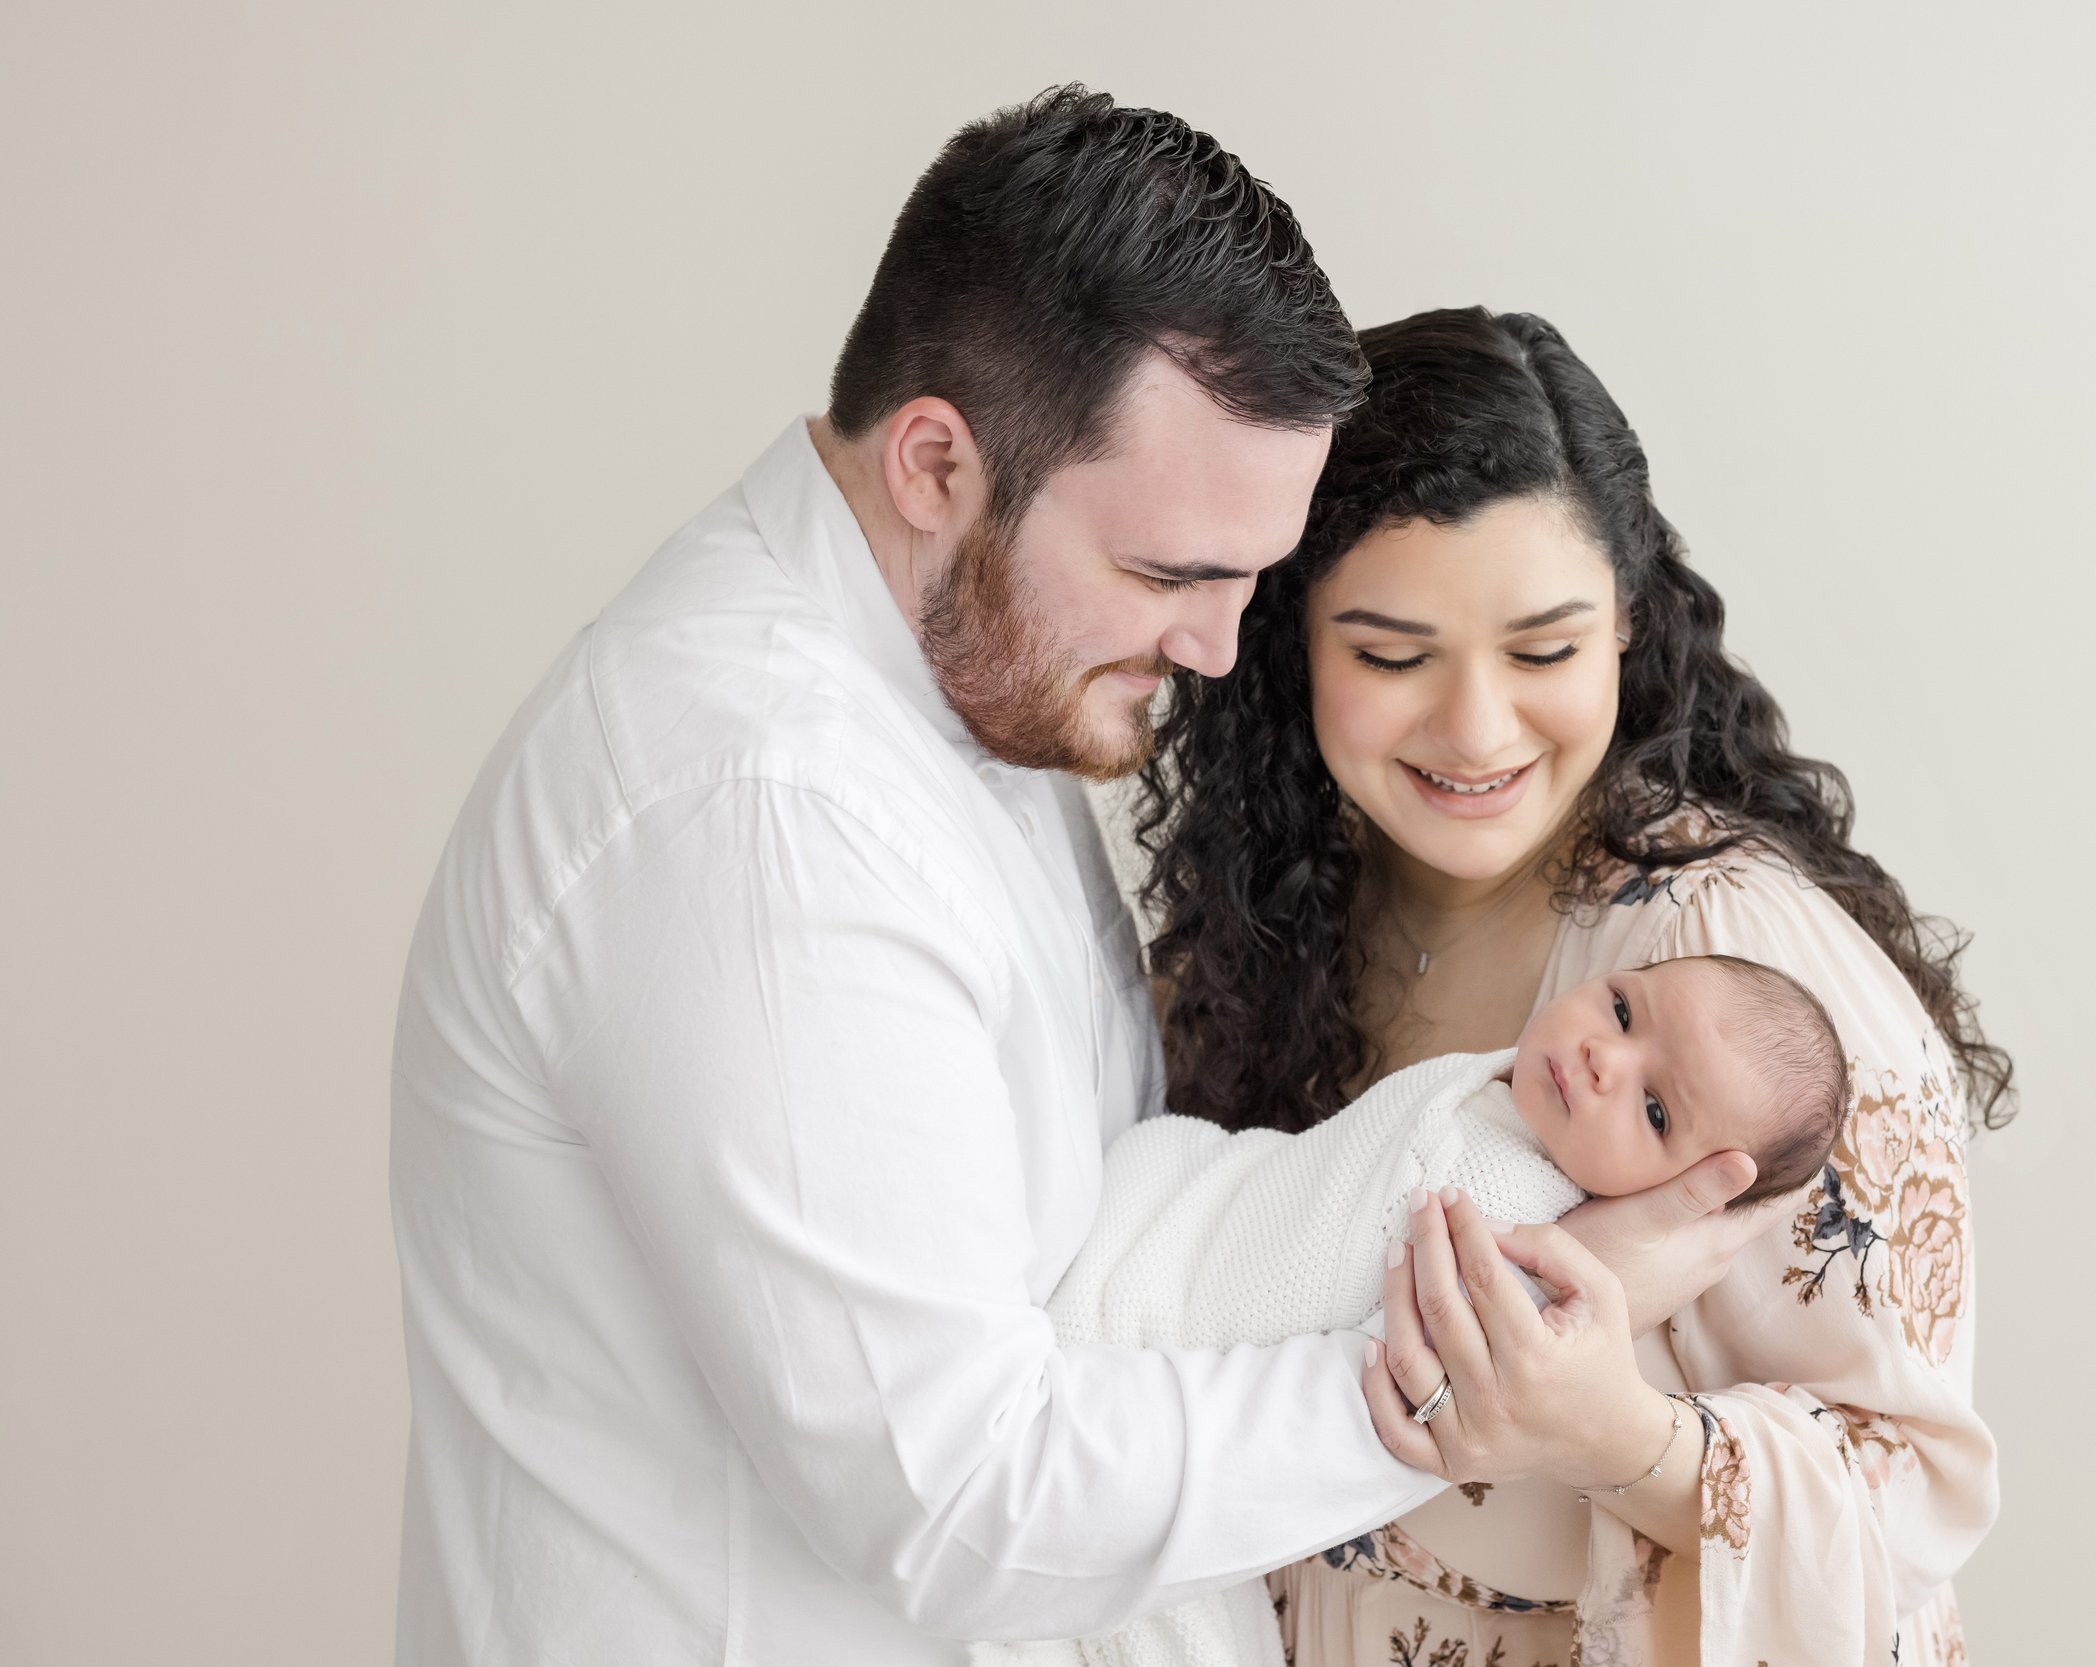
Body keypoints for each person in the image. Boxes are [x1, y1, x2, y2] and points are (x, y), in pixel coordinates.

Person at [388, 91, 1758, 1666]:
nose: (1220, 647)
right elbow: (964, 1498)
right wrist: (1481, 1365)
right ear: (935, 464)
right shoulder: (757, 811)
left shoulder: (956, 681)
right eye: (1172, 571)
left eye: (1252, 577)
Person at [1140, 306, 2010, 1666]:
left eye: (1543, 651)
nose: (1477, 727)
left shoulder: (1735, 974)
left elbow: (1915, 1496)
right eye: (1390, 654)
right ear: (1287, 642)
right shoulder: (1255, 935)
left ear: (1625, 630)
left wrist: (1619, 1431)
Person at [990, 954, 1842, 1666]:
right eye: (1622, 1008)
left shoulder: (1522, 1231)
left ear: (1682, 1198)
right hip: (1173, 1216)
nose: (1602, 1058)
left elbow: (1423, 1365)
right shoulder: (1501, 1089)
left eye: (1654, 1110)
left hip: (1168, 1348)